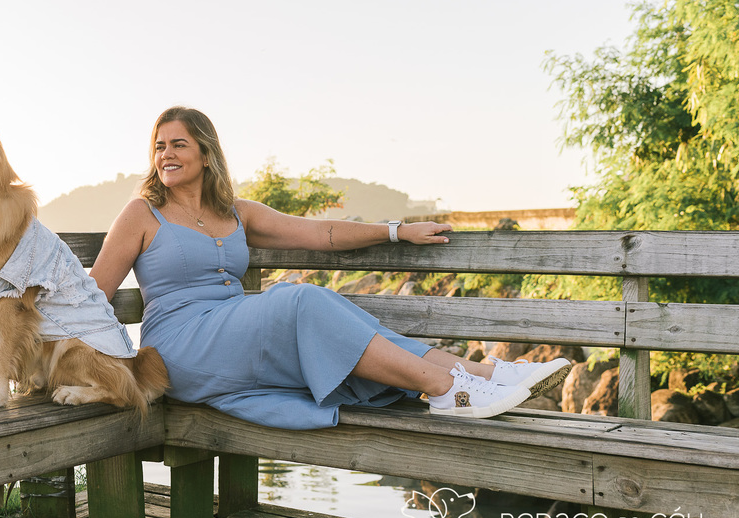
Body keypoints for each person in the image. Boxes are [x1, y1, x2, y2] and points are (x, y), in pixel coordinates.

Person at [89, 106, 571, 429]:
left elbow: (321, 234)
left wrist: (395, 231)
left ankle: (489, 375)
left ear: (205, 152)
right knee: (298, 298)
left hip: (235, 335)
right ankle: (446, 390)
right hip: (178, 349)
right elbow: (94, 293)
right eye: (159, 147)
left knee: (351, 321)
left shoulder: (236, 212)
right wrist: (107, 369)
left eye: (177, 144)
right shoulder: (142, 213)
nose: (166, 155)